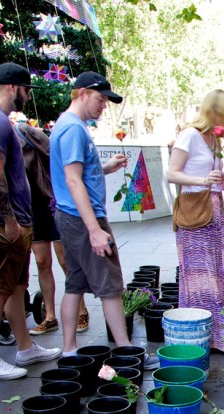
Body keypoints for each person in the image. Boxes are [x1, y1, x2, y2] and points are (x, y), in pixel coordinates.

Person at [0, 63, 60, 379]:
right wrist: (6, 219)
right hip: (5, 222)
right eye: (26, 90)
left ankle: (25, 347)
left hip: (16, 219)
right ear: (13, 87)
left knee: (16, 286)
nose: (26, 96)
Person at [49, 71, 131, 355]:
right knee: (110, 286)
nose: (103, 106)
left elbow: (77, 174)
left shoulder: (69, 124)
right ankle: (125, 350)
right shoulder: (73, 129)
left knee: (74, 284)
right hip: (84, 219)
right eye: (100, 98)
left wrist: (105, 168)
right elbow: (72, 180)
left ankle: (69, 350)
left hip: (70, 217)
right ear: (81, 93)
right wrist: (95, 230)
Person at [166, 89, 224, 353]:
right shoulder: (189, 135)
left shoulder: (214, 139)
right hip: (195, 214)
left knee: (223, 272)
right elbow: (171, 174)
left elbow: (216, 179)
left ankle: (221, 337)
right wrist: (203, 181)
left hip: (215, 213)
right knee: (201, 276)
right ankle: (201, 337)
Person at [14, 119, 89, 336]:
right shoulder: (9, 150)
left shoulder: (36, 144)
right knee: (41, 261)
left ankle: (81, 310)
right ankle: (50, 316)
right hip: (31, 209)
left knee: (65, 259)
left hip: (52, 202)